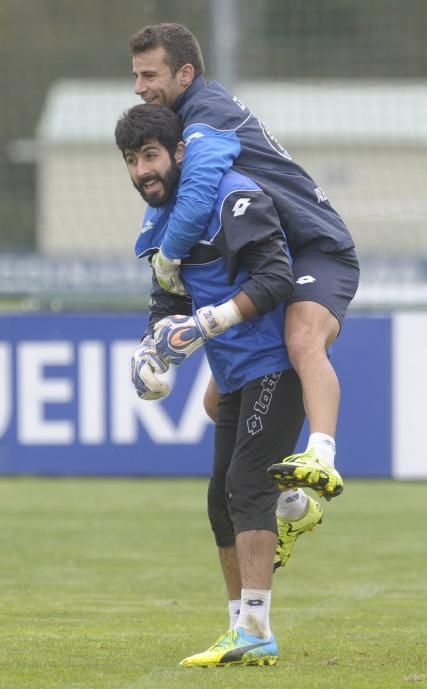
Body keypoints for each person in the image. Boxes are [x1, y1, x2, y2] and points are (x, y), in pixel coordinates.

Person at [115, 103, 324, 667]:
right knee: (220, 501)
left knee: (242, 486)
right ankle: (241, 624)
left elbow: (277, 277)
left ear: (179, 153)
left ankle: (257, 627)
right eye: (132, 161)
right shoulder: (162, 221)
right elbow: (169, 302)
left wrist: (205, 324)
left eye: (150, 156)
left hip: (275, 366)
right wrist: (151, 352)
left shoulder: (233, 196)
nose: (141, 171)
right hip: (235, 375)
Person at [128, 23, 360, 498]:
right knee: (221, 400)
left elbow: (195, 196)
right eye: (136, 76)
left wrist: (169, 258)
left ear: (186, 73)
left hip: (318, 247)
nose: (140, 87)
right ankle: (291, 498)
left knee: (301, 339)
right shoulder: (188, 120)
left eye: (150, 75)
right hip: (283, 254)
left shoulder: (205, 115)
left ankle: (321, 457)